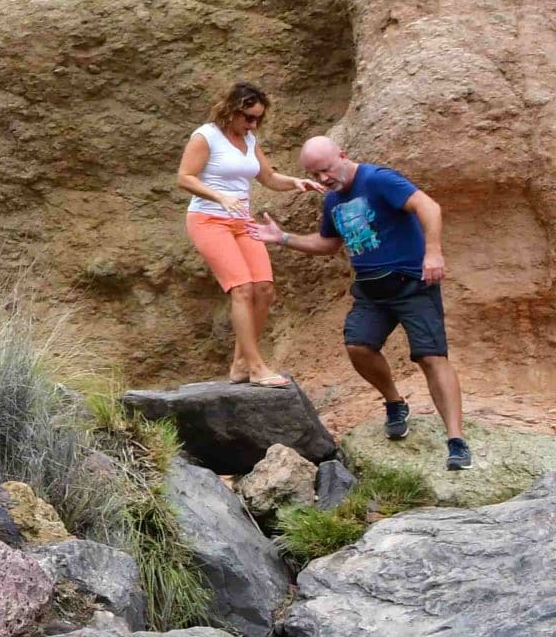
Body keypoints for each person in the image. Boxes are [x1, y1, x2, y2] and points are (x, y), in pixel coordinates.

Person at [250, 138, 469, 471]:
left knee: (431, 357)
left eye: (326, 169)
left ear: (343, 155)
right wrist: (282, 238)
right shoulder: (333, 200)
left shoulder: (379, 179)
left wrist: (433, 252)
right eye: (315, 173)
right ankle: (395, 402)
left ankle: (456, 441)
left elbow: (429, 207)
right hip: (371, 289)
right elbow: (327, 244)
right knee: (358, 347)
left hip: (412, 282)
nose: (323, 178)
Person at [176, 81, 325, 387]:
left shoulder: (249, 138)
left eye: (258, 118)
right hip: (209, 218)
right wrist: (220, 196)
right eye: (248, 117)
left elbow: (268, 177)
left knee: (264, 288)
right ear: (231, 110)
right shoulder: (206, 136)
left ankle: (240, 364)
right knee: (241, 288)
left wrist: (296, 182)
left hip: (241, 219)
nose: (253, 123)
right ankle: (256, 367)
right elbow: (185, 177)